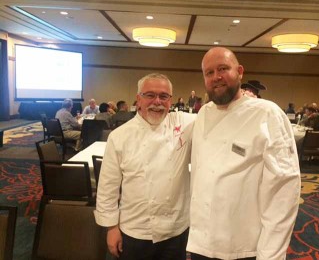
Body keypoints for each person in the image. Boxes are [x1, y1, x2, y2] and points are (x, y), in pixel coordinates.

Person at [187, 47, 301, 260]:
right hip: (202, 243)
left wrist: (271, 255)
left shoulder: (267, 113)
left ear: (239, 71)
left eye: (223, 69)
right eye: (209, 73)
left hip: (243, 245)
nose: (216, 77)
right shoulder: (203, 113)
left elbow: (284, 190)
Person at [94, 73, 196, 259]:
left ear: (170, 100)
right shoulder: (119, 136)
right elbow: (108, 188)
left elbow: (215, 114)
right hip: (134, 230)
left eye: (163, 96)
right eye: (150, 95)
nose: (157, 101)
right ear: (138, 99)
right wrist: (111, 228)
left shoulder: (182, 124)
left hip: (176, 230)